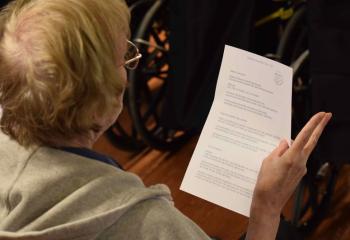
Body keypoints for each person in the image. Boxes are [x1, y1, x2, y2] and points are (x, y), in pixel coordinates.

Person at [0, 0, 331, 239]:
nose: (131, 62)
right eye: (125, 57)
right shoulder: (150, 224)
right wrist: (267, 207)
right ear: (103, 103)